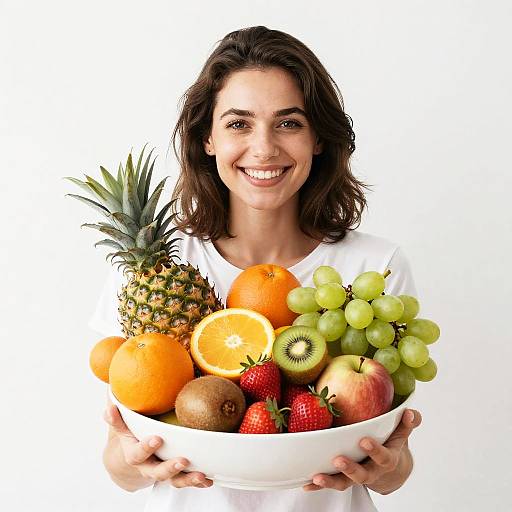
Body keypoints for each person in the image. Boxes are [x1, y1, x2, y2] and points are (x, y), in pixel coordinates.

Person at [91, 26, 422, 512]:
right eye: (238, 124)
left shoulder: (375, 268)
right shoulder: (157, 271)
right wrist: (132, 461)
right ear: (207, 139)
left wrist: (389, 469)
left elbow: (393, 467)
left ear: (318, 139)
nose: (264, 148)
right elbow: (120, 465)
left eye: (288, 123)